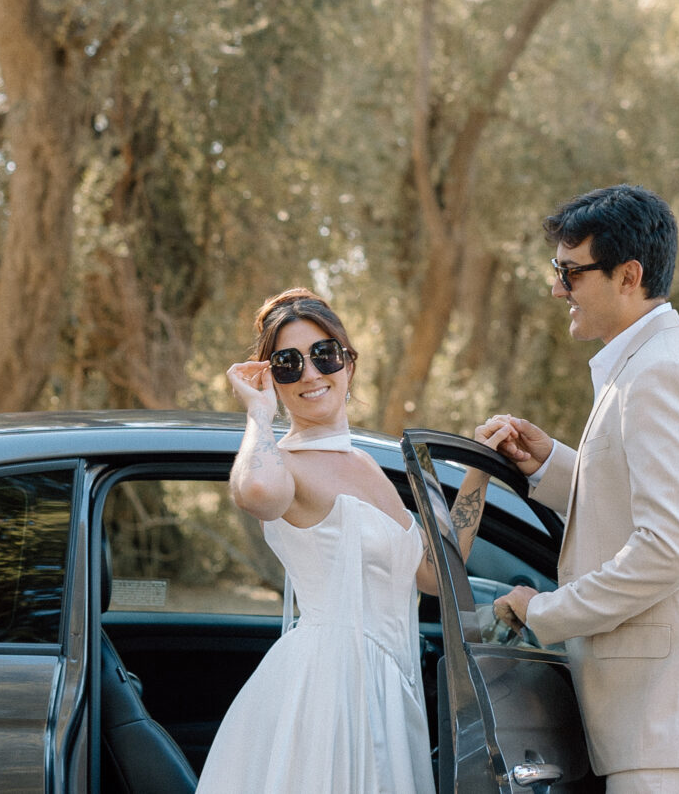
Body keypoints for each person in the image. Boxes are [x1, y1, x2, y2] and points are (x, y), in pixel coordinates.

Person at [473, 185, 679, 794]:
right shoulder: (652, 362)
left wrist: (546, 612)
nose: (558, 288)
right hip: (667, 724)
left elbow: (669, 547)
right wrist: (549, 465)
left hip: (675, 722)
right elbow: (637, 502)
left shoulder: (661, 372)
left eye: (570, 272)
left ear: (628, 276)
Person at [199, 287, 485, 794]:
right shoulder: (283, 463)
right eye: (287, 364)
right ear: (273, 380)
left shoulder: (368, 465)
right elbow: (257, 493)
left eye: (323, 355)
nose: (310, 374)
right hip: (328, 693)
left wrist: (479, 473)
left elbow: (435, 574)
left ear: (348, 365)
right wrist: (258, 413)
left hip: (389, 688)